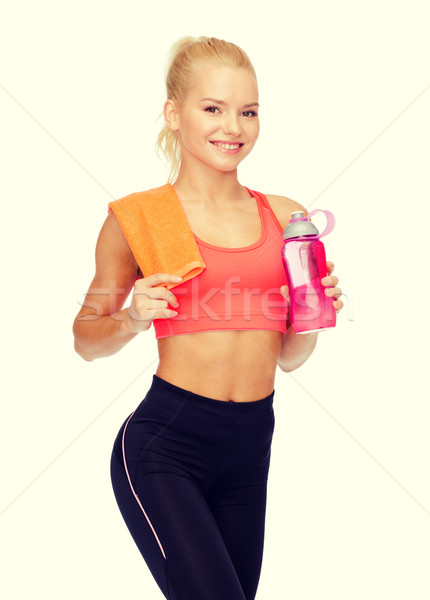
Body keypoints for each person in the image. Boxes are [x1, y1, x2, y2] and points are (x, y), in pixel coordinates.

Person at [73, 36, 343, 600]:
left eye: (248, 111)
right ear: (175, 114)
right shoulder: (141, 218)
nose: (233, 127)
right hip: (166, 446)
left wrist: (310, 316)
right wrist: (131, 316)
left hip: (251, 447)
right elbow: (85, 340)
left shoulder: (287, 217)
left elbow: (289, 359)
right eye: (213, 108)